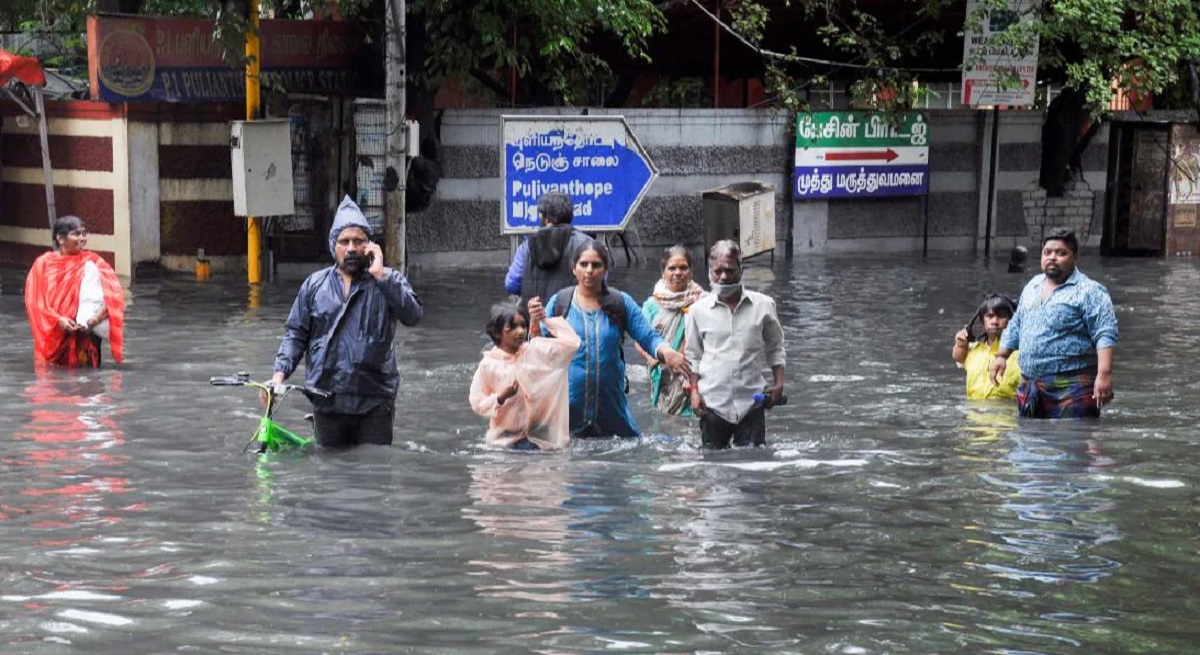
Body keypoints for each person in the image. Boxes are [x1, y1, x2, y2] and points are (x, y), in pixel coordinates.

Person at [270, 196, 423, 447]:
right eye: (344, 241)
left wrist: (382, 275)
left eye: (358, 241)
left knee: (374, 472)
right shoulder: (314, 286)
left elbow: (413, 315)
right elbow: (296, 334)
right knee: (329, 475)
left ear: (369, 245)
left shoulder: (388, 280)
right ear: (334, 246)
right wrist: (279, 376)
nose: (351, 248)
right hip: (327, 399)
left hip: (375, 400)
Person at [544, 240, 691, 438]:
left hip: (612, 409)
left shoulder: (621, 302)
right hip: (567, 409)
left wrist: (667, 352)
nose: (589, 271)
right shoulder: (560, 303)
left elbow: (648, 336)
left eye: (596, 265)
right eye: (583, 265)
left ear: (606, 269)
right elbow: (538, 348)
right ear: (573, 269)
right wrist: (535, 326)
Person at [990, 229, 1118, 418]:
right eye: (1047, 252)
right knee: (1028, 444)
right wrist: (1001, 356)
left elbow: (1104, 332)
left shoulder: (1089, 291)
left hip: (1073, 386)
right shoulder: (1033, 286)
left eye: (1061, 253)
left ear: (1074, 257)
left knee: (1073, 444)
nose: (1052, 257)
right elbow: (1017, 323)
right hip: (1031, 385)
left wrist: (1104, 373)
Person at [684, 240, 785, 449]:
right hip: (712, 404)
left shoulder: (764, 305)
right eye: (717, 271)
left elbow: (775, 346)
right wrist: (694, 391)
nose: (723, 277)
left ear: (741, 269)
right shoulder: (698, 310)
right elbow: (693, 355)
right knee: (712, 468)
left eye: (729, 270)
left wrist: (779, 383)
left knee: (752, 469)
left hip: (752, 404)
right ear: (710, 272)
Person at [469, 297, 581, 450]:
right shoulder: (488, 365)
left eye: (523, 326)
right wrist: (501, 397)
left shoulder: (533, 351)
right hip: (504, 442)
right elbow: (477, 403)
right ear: (497, 332)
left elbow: (572, 344)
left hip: (541, 439)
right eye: (512, 327)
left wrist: (544, 320)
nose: (521, 331)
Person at [25, 215, 125, 367]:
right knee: (54, 385)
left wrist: (95, 320)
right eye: (76, 234)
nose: (82, 238)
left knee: (88, 385)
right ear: (60, 238)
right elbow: (35, 302)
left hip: (85, 337)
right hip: (54, 338)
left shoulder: (94, 262)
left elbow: (114, 298)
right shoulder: (43, 264)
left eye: (84, 233)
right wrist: (59, 320)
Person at [637, 245, 706, 416]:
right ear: (663, 273)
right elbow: (640, 338)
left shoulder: (704, 302)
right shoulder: (652, 305)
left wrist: (690, 375)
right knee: (664, 422)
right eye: (672, 268)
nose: (678, 272)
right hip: (662, 377)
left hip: (695, 376)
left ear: (691, 272)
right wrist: (650, 357)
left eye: (683, 267)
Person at [504, 192, 592, 300]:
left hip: (535, 314)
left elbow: (511, 284)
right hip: (571, 315)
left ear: (546, 218)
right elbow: (598, 282)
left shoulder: (526, 246)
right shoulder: (585, 244)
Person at [952, 293, 1021, 400]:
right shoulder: (973, 350)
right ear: (982, 321)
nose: (995, 322)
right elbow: (958, 358)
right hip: (974, 413)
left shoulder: (1021, 352)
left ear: (1012, 321)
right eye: (990, 316)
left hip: (1007, 413)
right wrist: (960, 344)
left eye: (1001, 316)